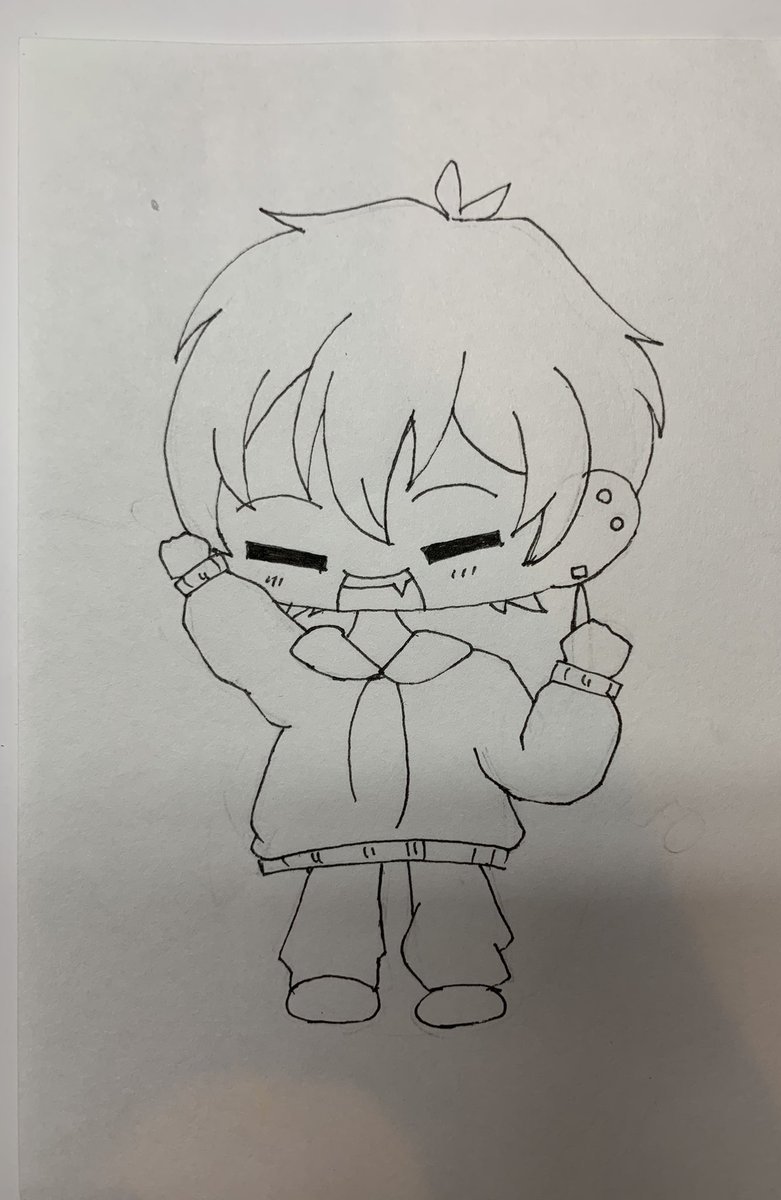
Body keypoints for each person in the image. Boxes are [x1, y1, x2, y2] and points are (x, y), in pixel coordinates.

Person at [159, 161, 663, 1028]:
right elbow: (247, 648)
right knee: (332, 910)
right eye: (292, 545)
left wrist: (583, 682)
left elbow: (547, 769)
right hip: (324, 831)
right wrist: (207, 581)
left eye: (454, 544)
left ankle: (461, 976)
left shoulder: (477, 677)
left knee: (458, 908)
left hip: (460, 837)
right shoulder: (308, 667)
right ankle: (329, 972)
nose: (377, 578)